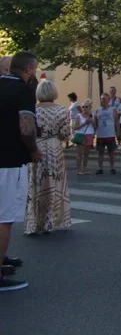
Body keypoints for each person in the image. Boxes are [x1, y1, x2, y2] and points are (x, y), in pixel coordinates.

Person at [0, 53, 39, 291]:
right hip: (10, 162)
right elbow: (26, 128)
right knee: (4, 219)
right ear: (29, 69)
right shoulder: (23, 91)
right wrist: (34, 150)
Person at [24, 79, 71, 236]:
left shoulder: (33, 109)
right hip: (53, 147)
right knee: (52, 184)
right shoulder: (63, 110)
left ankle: (32, 222)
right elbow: (66, 135)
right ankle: (48, 222)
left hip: (36, 145)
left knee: (35, 183)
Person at [93, 92, 119, 175]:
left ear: (108, 100)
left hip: (110, 134)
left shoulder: (113, 110)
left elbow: (116, 122)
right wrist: (93, 133)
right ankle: (100, 168)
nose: (102, 100)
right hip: (101, 135)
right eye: (101, 99)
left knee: (111, 152)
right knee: (100, 152)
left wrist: (118, 131)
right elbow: (96, 123)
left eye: (104, 99)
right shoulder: (97, 110)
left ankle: (112, 167)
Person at [73, 101, 95, 175]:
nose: (84, 108)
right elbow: (75, 127)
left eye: (86, 107)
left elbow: (95, 126)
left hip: (89, 135)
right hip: (81, 135)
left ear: (90, 107)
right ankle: (79, 169)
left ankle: (84, 168)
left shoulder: (92, 116)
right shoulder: (79, 116)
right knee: (80, 154)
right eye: (83, 107)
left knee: (86, 154)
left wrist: (92, 122)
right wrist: (85, 123)